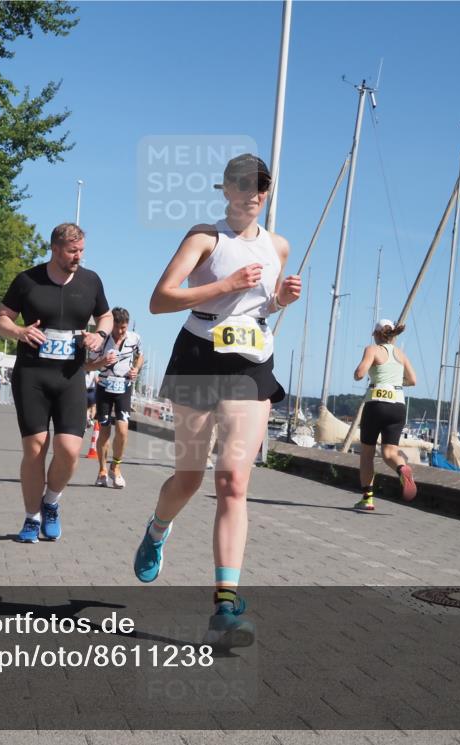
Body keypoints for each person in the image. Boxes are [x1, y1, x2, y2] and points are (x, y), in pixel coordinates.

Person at [132, 154, 301, 649]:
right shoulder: (205, 237)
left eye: (261, 185)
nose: (252, 193)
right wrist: (224, 284)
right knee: (189, 476)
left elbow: (261, 303)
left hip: (251, 360)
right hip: (199, 355)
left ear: (267, 192)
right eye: (242, 184)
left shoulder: (279, 246)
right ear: (225, 189)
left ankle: (224, 606)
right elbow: (160, 299)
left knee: (232, 481)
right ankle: (158, 528)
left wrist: (281, 300)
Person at [0, 223, 112, 543]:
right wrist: (18, 332)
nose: (78, 257)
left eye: (82, 251)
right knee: (35, 449)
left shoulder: (91, 281)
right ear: (56, 249)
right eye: (73, 251)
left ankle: (51, 502)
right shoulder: (27, 280)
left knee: (69, 450)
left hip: (71, 376)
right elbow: (0, 318)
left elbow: (106, 316)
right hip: (32, 374)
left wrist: (99, 336)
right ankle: (31, 518)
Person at [351, 319, 418, 511]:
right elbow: (413, 380)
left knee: (367, 454)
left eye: (374, 334)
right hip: (398, 406)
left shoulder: (373, 349)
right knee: (390, 453)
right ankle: (402, 468)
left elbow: (359, 373)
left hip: (376, 404)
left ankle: (367, 499)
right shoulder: (401, 354)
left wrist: (361, 373)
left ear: (379, 335)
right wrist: (396, 383)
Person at [87, 307, 144, 488]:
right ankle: (102, 471)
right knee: (104, 431)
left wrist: (136, 369)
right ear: (112, 325)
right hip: (104, 387)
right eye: (118, 328)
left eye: (124, 328)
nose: (121, 332)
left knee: (122, 431)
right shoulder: (101, 342)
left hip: (124, 387)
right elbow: (87, 366)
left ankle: (116, 467)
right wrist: (103, 363)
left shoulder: (134, 338)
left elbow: (140, 355)